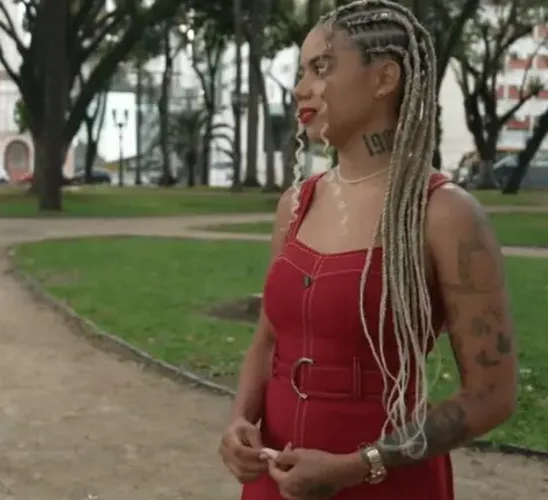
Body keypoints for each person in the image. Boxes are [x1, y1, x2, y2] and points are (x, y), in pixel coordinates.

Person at [219, 2, 517, 499]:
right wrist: (237, 423)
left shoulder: (444, 214)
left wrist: (359, 466)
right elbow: (268, 340)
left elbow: (492, 396)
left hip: (384, 482)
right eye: (301, 72)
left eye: (321, 68)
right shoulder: (296, 204)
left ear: (384, 79)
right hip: (276, 475)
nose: (301, 90)